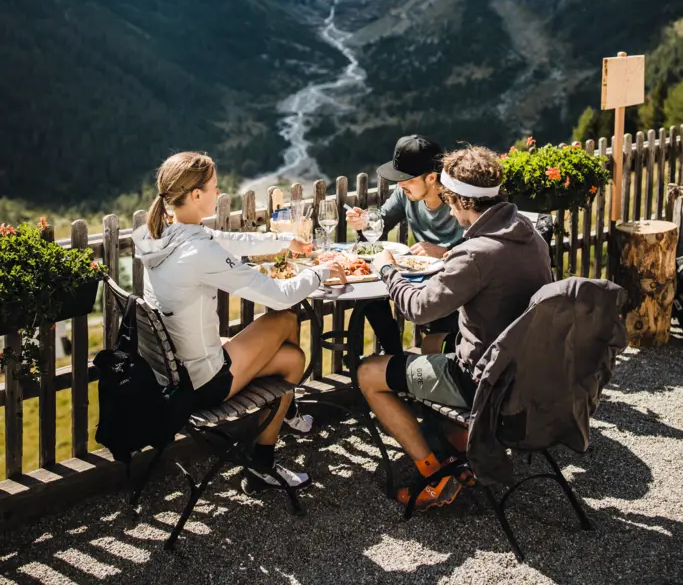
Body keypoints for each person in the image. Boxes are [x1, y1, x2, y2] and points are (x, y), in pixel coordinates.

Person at [133, 151, 347, 498]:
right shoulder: (196, 251)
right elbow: (278, 296)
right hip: (204, 381)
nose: (219, 194)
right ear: (196, 195)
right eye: (214, 188)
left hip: (173, 372)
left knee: (292, 360)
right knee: (286, 316)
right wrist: (319, 272)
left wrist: (282, 241)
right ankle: (274, 436)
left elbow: (223, 240)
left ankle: (264, 457)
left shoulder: (155, 234)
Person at [357, 146, 552, 512]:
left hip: (484, 381)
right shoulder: (529, 233)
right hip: (528, 374)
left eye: (448, 199)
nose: (446, 206)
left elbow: (417, 308)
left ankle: (435, 474)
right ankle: (462, 444)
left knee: (368, 372)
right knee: (433, 344)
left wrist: (386, 269)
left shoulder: (476, 252)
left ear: (462, 200)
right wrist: (451, 259)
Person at [346, 134, 464, 355]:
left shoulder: (460, 200)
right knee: (370, 294)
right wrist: (363, 222)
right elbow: (381, 220)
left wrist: (445, 252)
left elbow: (484, 247)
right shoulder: (404, 193)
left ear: (431, 178)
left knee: (440, 335)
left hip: (455, 284)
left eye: (407, 179)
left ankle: (437, 359)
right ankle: (394, 355)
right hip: (419, 277)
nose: (400, 184)